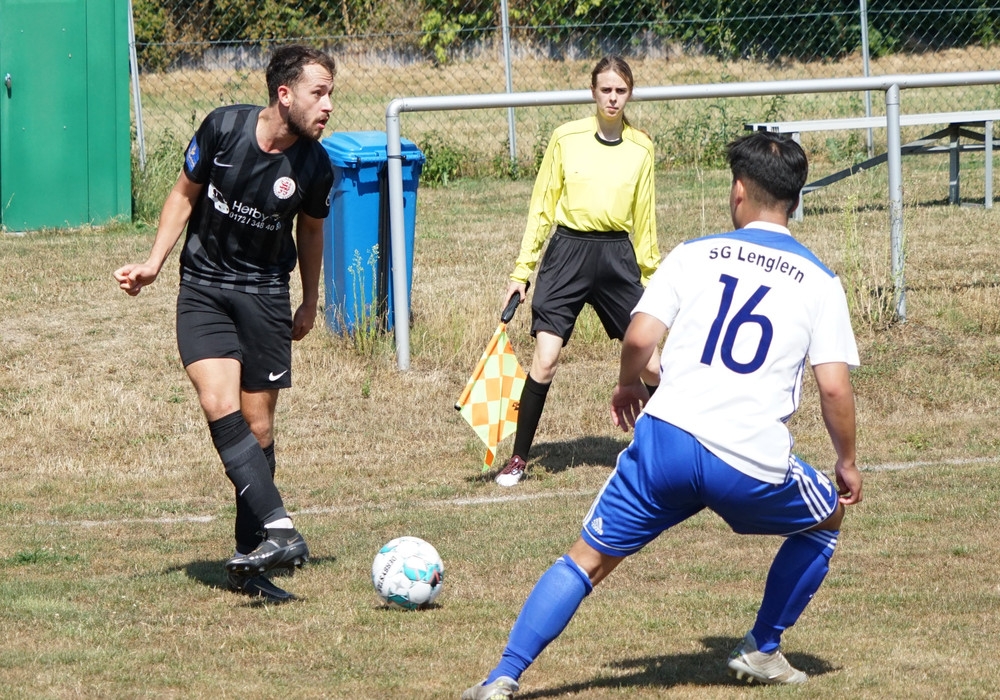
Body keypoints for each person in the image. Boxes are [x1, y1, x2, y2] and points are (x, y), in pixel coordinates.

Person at [462, 131, 862, 699]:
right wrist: (847, 461)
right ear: (795, 200)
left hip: (666, 441)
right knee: (826, 519)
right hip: (747, 459)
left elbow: (640, 336)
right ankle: (762, 648)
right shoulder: (820, 282)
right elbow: (834, 388)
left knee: (586, 560)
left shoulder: (694, 253)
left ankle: (503, 676)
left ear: (738, 191)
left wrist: (629, 382)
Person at [113, 45, 337, 604]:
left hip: (265, 295)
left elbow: (311, 231)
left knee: (258, 431)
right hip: (205, 288)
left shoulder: (315, 165)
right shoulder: (223, 128)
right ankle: (281, 528)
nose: (328, 105)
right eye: (318, 93)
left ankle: (249, 560)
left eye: (330, 94)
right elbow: (182, 195)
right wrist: (154, 262)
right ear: (284, 95)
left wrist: (310, 300)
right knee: (219, 403)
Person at [494, 55, 662, 487]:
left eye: (620, 91)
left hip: (617, 258)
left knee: (652, 364)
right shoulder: (566, 138)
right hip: (568, 253)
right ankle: (518, 458)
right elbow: (542, 206)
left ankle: (668, 453)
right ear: (593, 92)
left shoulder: (641, 148)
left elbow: (645, 219)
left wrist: (652, 277)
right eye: (605, 90)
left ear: (630, 94)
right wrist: (522, 271)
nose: (612, 98)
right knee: (546, 359)